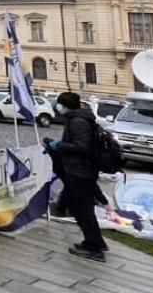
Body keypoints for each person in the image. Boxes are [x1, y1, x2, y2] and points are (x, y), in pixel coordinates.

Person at [44, 92, 107, 262]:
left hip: (80, 171)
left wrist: (59, 145)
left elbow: (82, 147)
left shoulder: (78, 121)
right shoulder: (80, 118)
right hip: (80, 169)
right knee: (82, 208)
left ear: (65, 105)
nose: (58, 108)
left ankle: (94, 248)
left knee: (82, 210)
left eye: (59, 104)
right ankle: (95, 242)